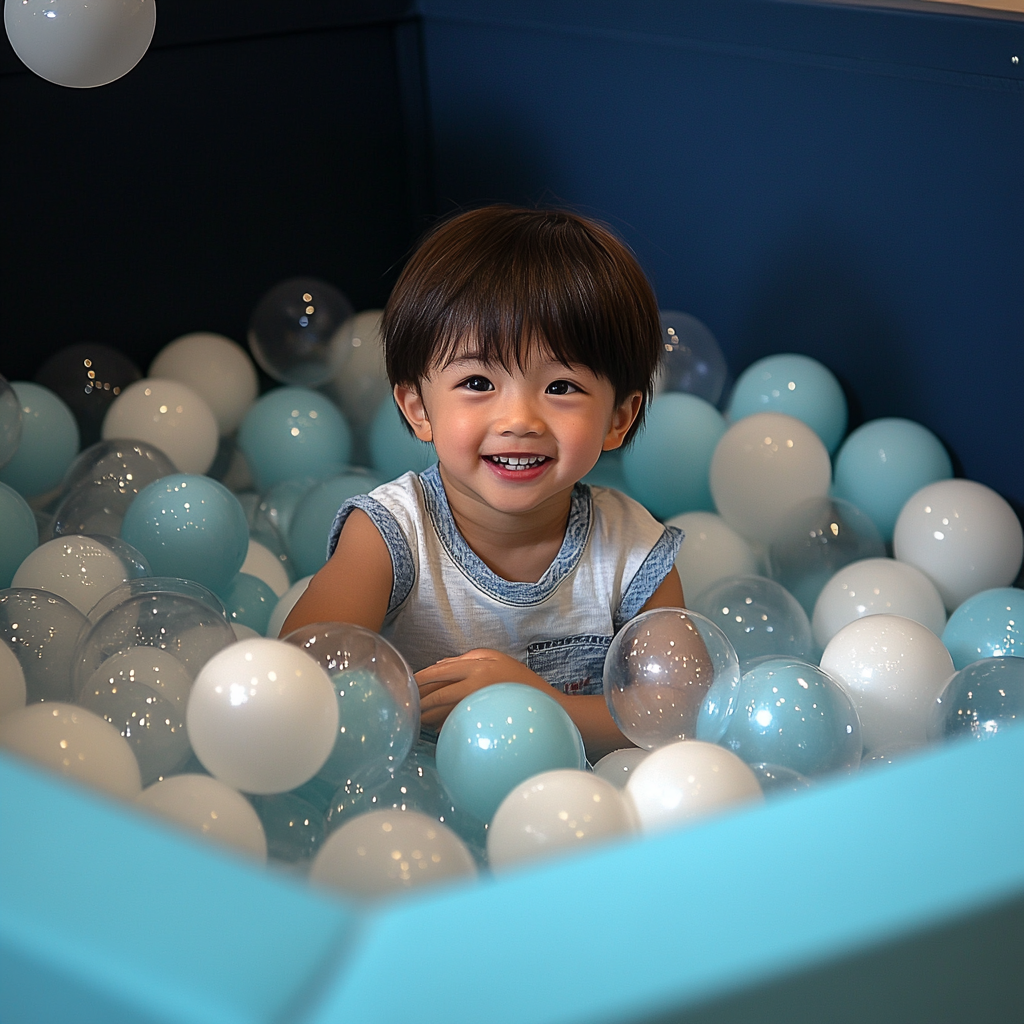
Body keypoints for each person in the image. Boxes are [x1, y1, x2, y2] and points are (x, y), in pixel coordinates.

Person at [283, 205, 687, 760]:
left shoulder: (632, 551)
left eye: (562, 387)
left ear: (618, 418)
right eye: (478, 381)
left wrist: (535, 702)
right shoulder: (392, 534)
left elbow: (679, 714)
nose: (520, 419)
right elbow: (298, 675)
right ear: (418, 408)